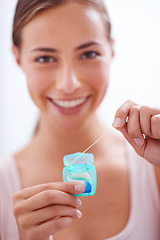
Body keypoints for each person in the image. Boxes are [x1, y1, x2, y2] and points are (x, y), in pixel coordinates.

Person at [0, 0, 160, 239]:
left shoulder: (154, 168)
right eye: (45, 58)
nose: (68, 84)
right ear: (18, 58)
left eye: (89, 53)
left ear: (111, 50)